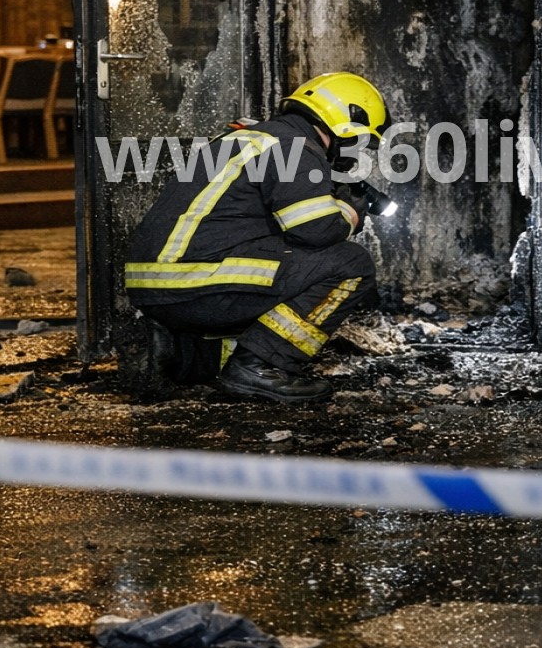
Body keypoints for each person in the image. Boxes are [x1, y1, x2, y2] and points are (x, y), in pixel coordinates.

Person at [123, 72, 388, 403]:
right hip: (192, 281)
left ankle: (177, 353)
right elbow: (315, 230)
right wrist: (350, 211)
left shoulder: (248, 137)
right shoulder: (294, 148)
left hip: (157, 285)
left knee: (283, 278)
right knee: (350, 263)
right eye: (361, 142)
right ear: (349, 128)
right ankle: (258, 367)